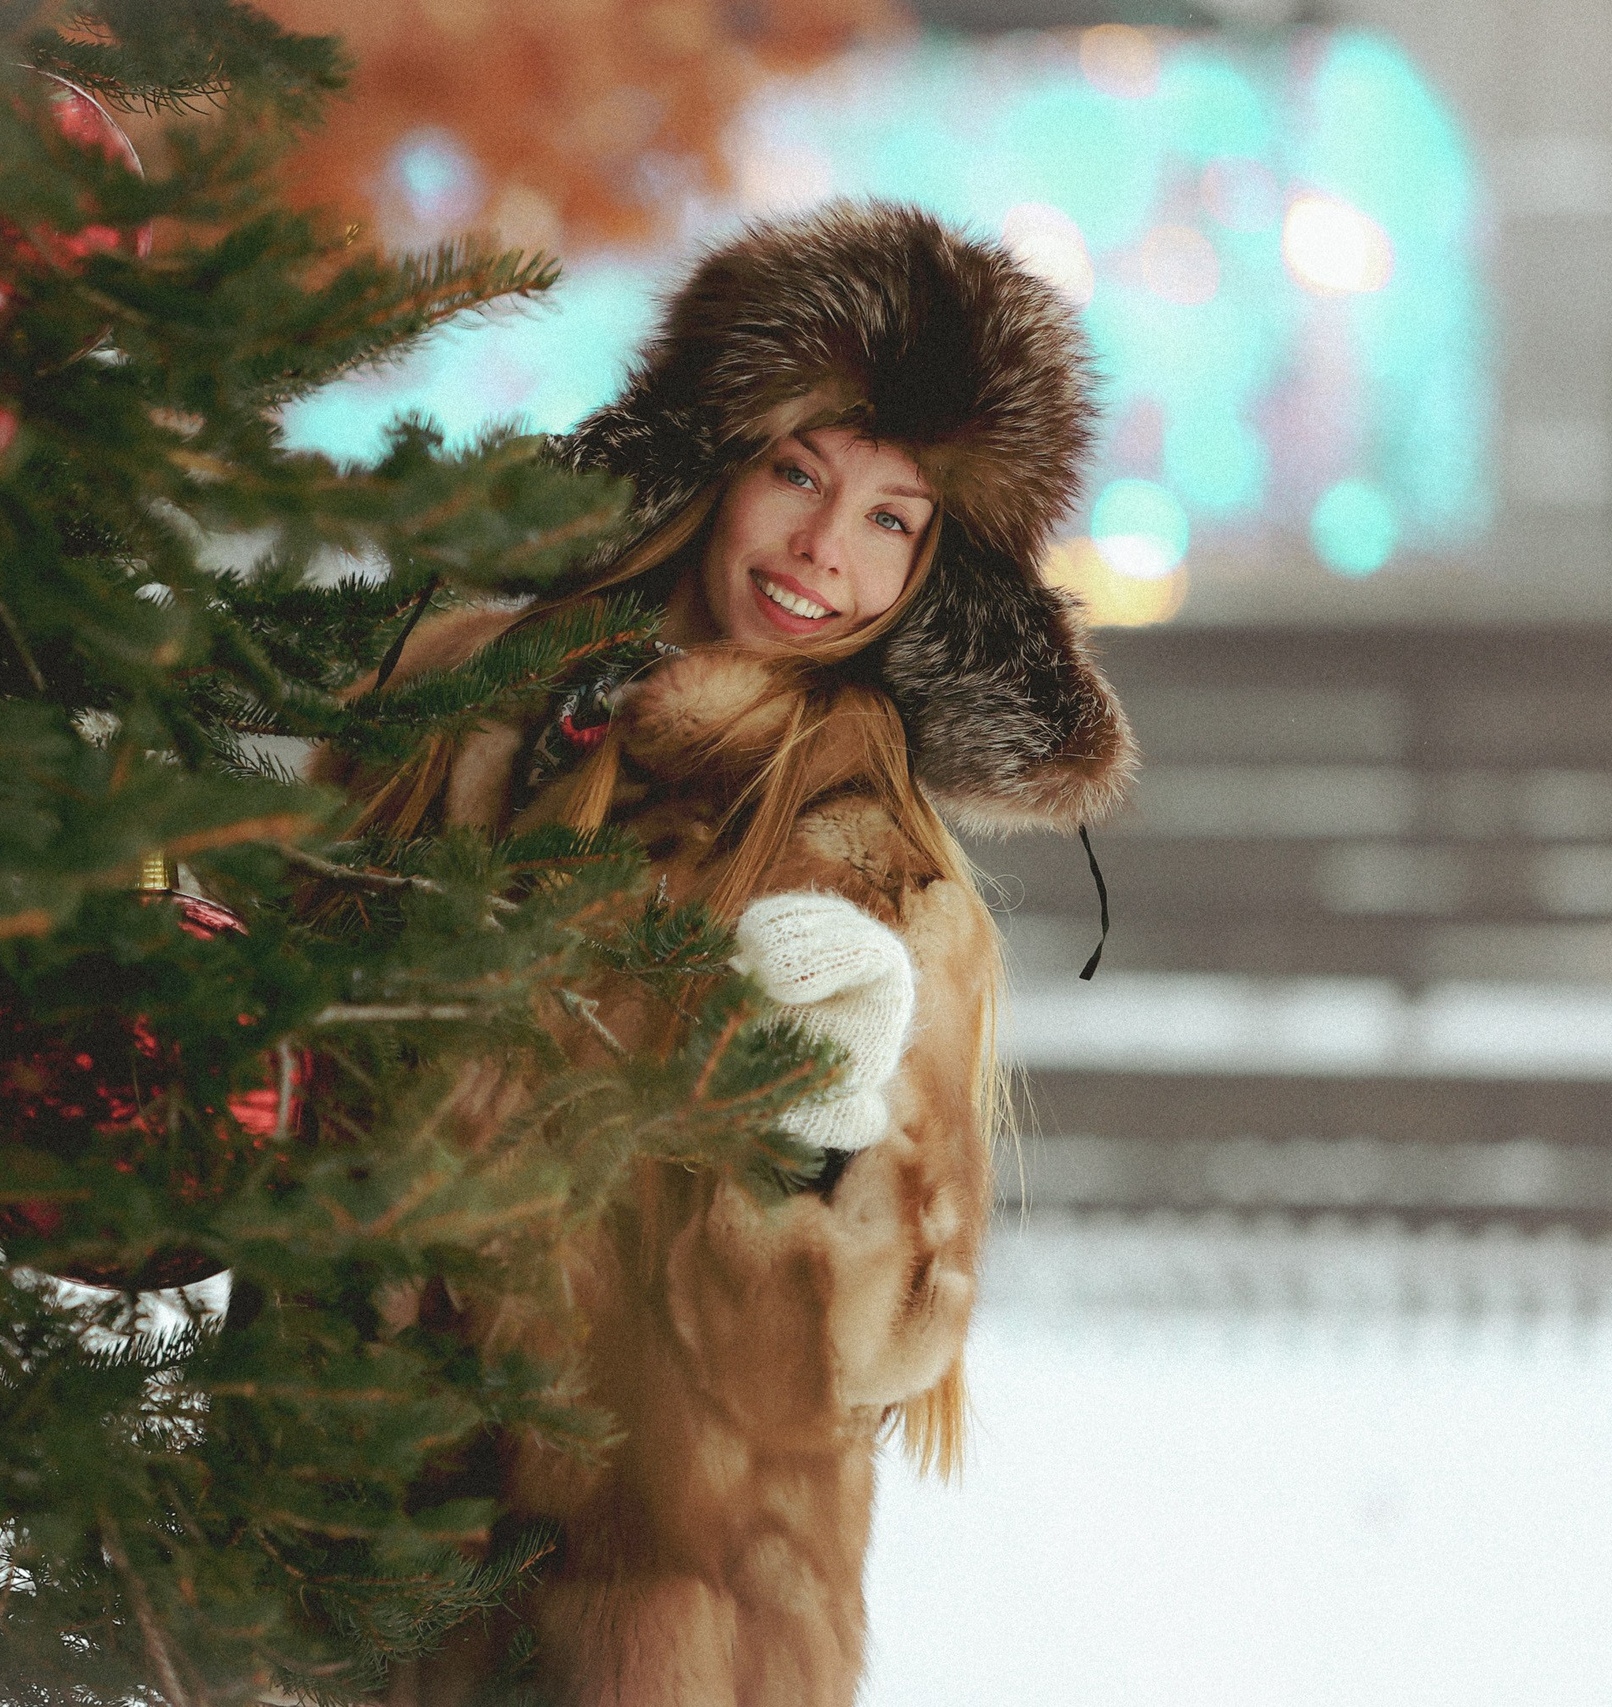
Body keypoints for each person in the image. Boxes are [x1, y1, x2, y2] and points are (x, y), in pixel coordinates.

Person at [342, 200, 1136, 1707]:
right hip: (348, 1588)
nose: (824, 550)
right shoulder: (461, 722)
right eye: (799, 474)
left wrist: (819, 1132)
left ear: (932, 568)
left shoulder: (878, 871)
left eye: (892, 519)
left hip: (667, 1635)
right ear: (717, 462)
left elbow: (890, 1337)